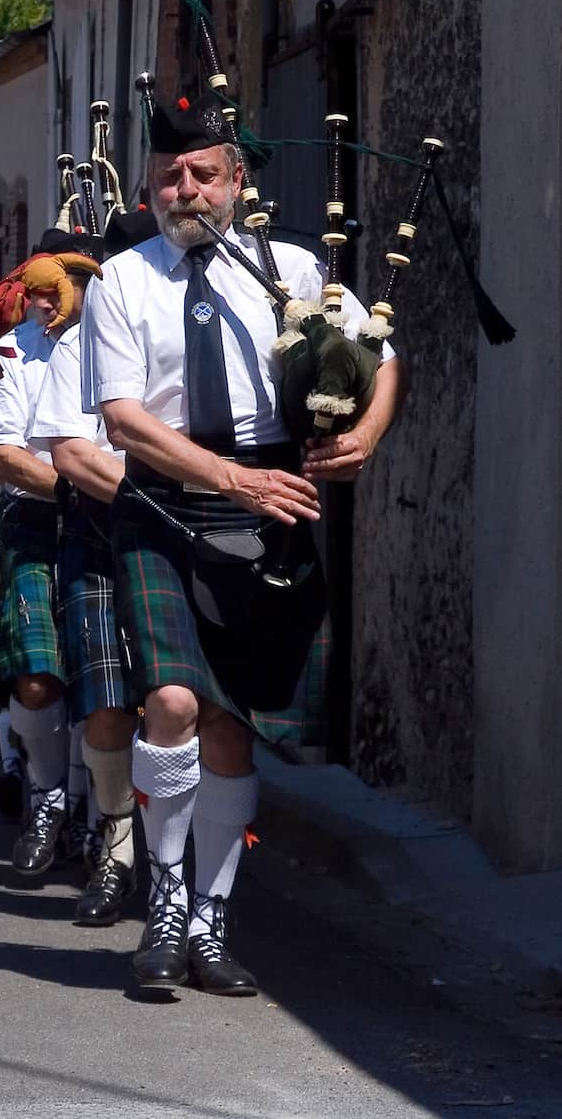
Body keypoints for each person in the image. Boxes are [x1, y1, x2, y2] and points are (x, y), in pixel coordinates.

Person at [84, 98, 403, 996]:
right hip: (168, 505)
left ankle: (213, 915)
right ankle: (168, 895)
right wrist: (232, 482)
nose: (184, 190)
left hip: (274, 509)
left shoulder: (293, 268)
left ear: (237, 182)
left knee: (233, 729)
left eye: (202, 174)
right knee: (176, 705)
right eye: (167, 178)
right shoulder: (121, 281)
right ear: (149, 188)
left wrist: (368, 434)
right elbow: (122, 419)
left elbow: (382, 356)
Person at [24, 232, 140, 928]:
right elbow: (68, 452)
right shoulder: (73, 347)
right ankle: (117, 848)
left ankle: (181, 875)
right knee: (104, 705)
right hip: (98, 527)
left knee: (183, 710)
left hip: (196, 524)